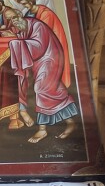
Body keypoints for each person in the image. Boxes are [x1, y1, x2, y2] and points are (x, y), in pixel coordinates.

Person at [8, 13, 78, 142]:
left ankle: (42, 130)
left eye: (15, 21)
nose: (15, 25)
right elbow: (20, 38)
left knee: (41, 88)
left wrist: (16, 43)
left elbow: (38, 47)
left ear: (20, 17)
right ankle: (70, 122)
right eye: (12, 23)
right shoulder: (21, 27)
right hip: (39, 61)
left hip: (50, 58)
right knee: (53, 91)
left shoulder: (37, 25)